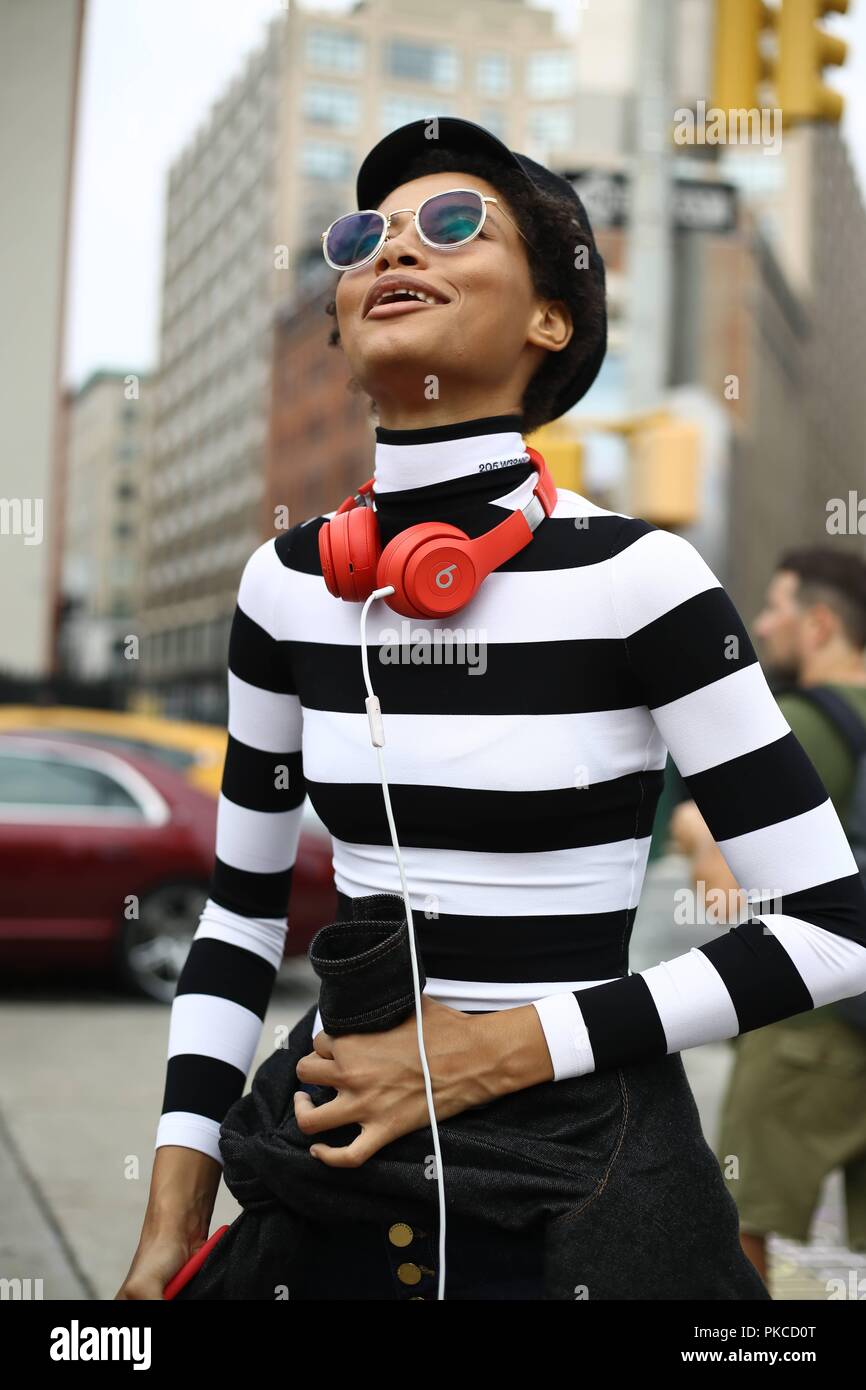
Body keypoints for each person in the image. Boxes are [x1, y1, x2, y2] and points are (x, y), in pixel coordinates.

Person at [116, 118, 866, 1301]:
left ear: (547, 320)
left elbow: (831, 928)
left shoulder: (643, 579)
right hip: (325, 1185)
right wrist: (174, 1207)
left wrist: (482, 1055)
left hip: (588, 1189)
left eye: (455, 222)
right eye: (365, 236)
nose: (395, 246)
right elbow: (240, 923)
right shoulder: (284, 584)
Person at [672, 548, 866, 1287]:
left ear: (819, 625)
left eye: (776, 609)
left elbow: (727, 894)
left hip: (807, 1030)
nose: (761, 625)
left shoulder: (798, 725)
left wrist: (693, 829)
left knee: (742, 1231)